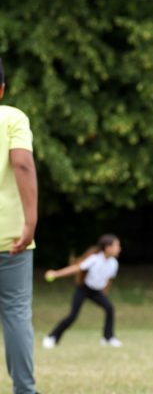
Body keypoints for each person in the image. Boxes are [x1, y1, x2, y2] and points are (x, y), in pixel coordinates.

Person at [0, 57, 39, 394]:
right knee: (15, 315)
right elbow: (22, 165)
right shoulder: (12, 117)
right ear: (1, 88)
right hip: (10, 238)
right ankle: (24, 390)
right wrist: (31, 222)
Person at [42, 234, 122, 349]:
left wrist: (104, 294)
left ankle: (108, 337)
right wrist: (56, 274)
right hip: (84, 289)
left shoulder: (114, 263)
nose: (119, 248)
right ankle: (51, 337)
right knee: (72, 316)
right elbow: (76, 268)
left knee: (109, 308)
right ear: (107, 247)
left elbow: (108, 280)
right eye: (116, 245)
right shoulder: (95, 259)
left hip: (97, 292)